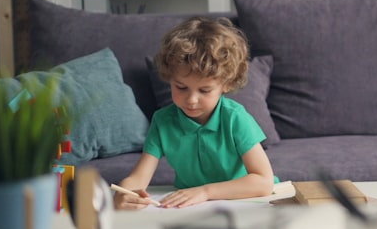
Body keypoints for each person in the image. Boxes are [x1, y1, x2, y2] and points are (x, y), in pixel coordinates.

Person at [114, 17, 275, 209]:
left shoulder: (235, 119)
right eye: (181, 87)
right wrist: (123, 193)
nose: (191, 100)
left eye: (205, 90)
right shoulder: (163, 121)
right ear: (169, 79)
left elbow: (264, 182)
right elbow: (138, 178)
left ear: (226, 84)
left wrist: (205, 192)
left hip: (244, 201)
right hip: (190, 207)